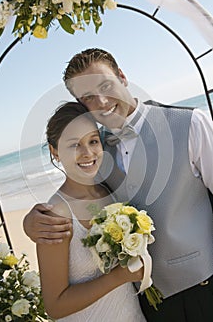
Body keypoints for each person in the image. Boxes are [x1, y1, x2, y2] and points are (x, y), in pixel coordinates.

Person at [23, 48, 213, 322]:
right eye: (88, 97)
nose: (101, 101)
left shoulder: (190, 123)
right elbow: (77, 199)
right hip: (148, 305)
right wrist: (31, 222)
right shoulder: (94, 148)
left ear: (122, 77)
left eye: (105, 85)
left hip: (204, 289)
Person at [34, 101, 146, 321]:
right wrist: (119, 277)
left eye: (93, 141)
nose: (87, 153)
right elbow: (55, 306)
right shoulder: (56, 216)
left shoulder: (109, 192)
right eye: (74, 145)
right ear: (54, 151)